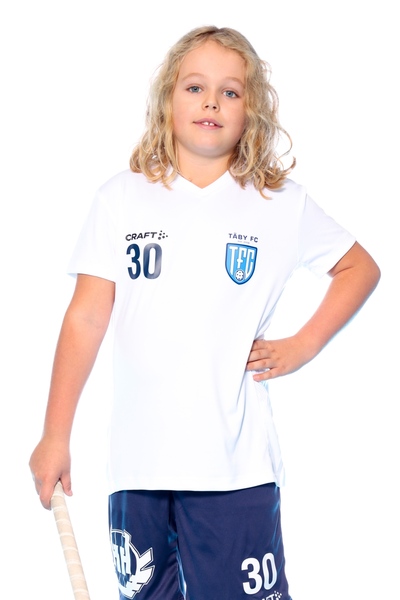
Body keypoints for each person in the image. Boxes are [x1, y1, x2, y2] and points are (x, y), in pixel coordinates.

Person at [29, 25, 380, 600]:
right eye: (194, 87)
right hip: (138, 471)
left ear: (251, 110)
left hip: (234, 471)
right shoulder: (120, 199)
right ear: (167, 99)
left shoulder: (278, 203)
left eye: (230, 91)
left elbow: (359, 267)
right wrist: (54, 435)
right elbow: (86, 318)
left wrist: (303, 344)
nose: (211, 102)